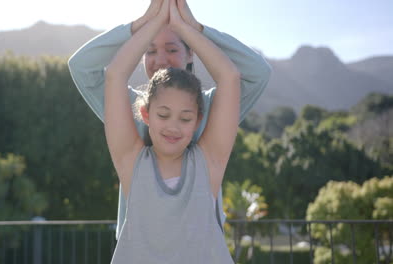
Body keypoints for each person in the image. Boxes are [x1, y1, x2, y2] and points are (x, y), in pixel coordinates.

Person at [68, 0, 271, 243]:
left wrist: (195, 29)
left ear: (190, 52)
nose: (160, 59)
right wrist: (141, 24)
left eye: (172, 49)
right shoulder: (128, 107)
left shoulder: (210, 109)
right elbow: (81, 66)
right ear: (145, 114)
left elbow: (257, 73)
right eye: (150, 50)